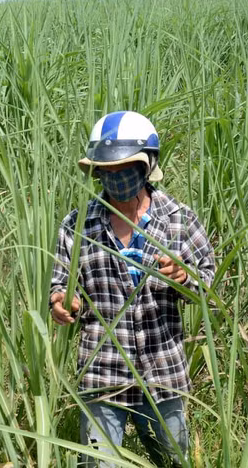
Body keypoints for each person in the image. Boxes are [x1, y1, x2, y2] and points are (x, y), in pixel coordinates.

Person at [49, 111, 215, 467]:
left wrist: (184, 278)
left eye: (125, 168)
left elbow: (208, 282)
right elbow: (62, 283)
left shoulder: (179, 219)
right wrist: (62, 302)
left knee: (173, 460)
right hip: (103, 370)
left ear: (147, 164)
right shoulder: (78, 225)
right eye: (106, 170)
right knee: (99, 464)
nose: (116, 177)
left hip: (162, 370)